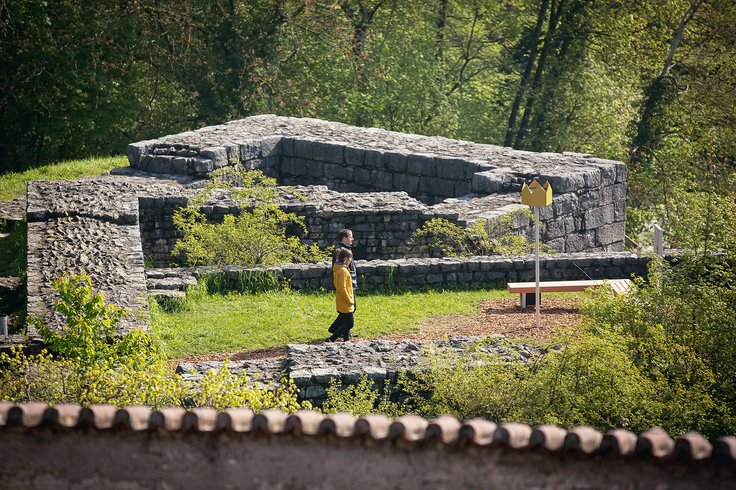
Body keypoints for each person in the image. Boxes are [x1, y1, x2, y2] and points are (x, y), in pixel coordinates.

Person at [327, 248, 355, 342]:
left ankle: (346, 340)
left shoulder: (338, 269)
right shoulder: (343, 271)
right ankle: (332, 338)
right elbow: (342, 288)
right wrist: (350, 300)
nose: (351, 260)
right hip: (345, 301)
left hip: (341, 300)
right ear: (346, 259)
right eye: (350, 258)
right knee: (350, 324)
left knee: (344, 321)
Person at [332, 228, 357, 310]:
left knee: (348, 313)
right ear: (345, 238)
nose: (352, 239)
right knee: (349, 311)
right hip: (346, 286)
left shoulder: (345, 249)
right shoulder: (341, 251)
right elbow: (341, 268)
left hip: (349, 285)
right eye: (350, 237)